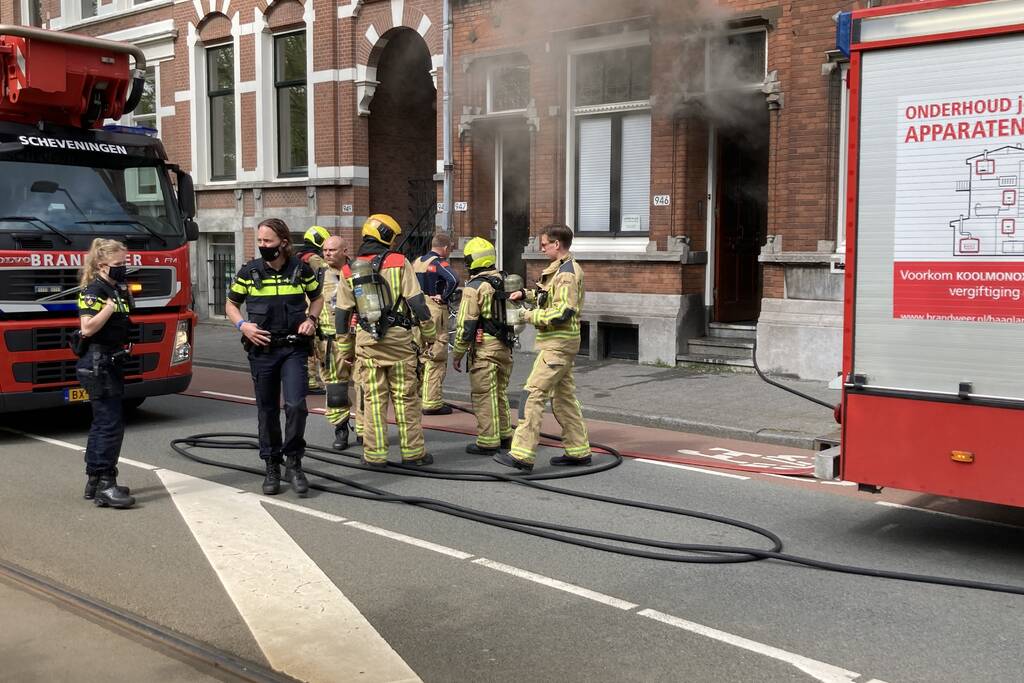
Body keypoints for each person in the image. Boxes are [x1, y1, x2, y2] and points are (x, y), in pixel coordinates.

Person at [226, 218, 323, 496]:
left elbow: (316, 298)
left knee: (295, 405)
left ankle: (294, 462)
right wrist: (242, 326)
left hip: (293, 348)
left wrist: (312, 320)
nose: (262, 246)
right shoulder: (249, 272)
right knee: (267, 410)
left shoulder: (301, 269)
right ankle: (271, 464)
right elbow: (231, 304)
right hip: (263, 351)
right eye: (259, 241)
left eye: (267, 241)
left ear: (283, 242)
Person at [335, 214, 437, 468]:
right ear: (386, 237)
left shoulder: (349, 269)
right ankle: (413, 454)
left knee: (372, 400)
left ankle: (375, 456)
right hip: (399, 342)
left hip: (367, 342)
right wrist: (428, 335)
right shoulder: (400, 262)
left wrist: (345, 348)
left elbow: (342, 314)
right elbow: (417, 303)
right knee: (406, 399)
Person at [494, 224, 591, 472]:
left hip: (557, 346)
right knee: (564, 399)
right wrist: (523, 294)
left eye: (545, 243)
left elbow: (562, 311)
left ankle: (522, 455)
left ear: (557, 244)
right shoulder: (560, 269)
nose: (542, 247)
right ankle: (578, 451)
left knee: (532, 394)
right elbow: (547, 296)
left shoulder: (567, 273)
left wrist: (528, 315)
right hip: (559, 344)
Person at [76, 238, 136, 508]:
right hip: (98, 363)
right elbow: (87, 328)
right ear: (102, 265)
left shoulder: (117, 289)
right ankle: (104, 484)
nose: (124, 268)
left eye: (125, 262)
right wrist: (109, 308)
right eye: (119, 264)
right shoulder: (94, 291)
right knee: (109, 425)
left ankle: (96, 479)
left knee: (104, 423)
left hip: (111, 362)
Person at [451, 237, 516, 455]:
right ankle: (506, 435)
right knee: (500, 392)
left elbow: (466, 324)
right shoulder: (506, 279)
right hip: (505, 346)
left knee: (483, 395)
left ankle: (488, 441)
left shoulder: (474, 287)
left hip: (484, 348)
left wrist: (458, 353)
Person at [412, 233, 459, 415]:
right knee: (436, 354)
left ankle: (420, 395)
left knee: (421, 353)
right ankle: (432, 402)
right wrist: (444, 296)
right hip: (435, 310)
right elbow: (454, 279)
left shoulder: (417, 261)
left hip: (418, 310)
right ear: (445, 248)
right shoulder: (438, 263)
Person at [319, 235, 358, 450]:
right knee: (335, 389)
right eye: (325, 250)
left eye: (332, 250)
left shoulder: (358, 272)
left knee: (365, 387)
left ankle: (364, 428)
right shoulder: (318, 275)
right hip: (329, 343)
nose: (327, 254)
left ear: (345, 251)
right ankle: (340, 428)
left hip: (357, 340)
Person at [297, 225, 331, 395]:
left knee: (305, 344)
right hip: (312, 306)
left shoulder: (298, 256)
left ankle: (305, 378)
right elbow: (328, 275)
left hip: (299, 306)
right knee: (314, 345)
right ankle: (310, 380)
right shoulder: (314, 259)